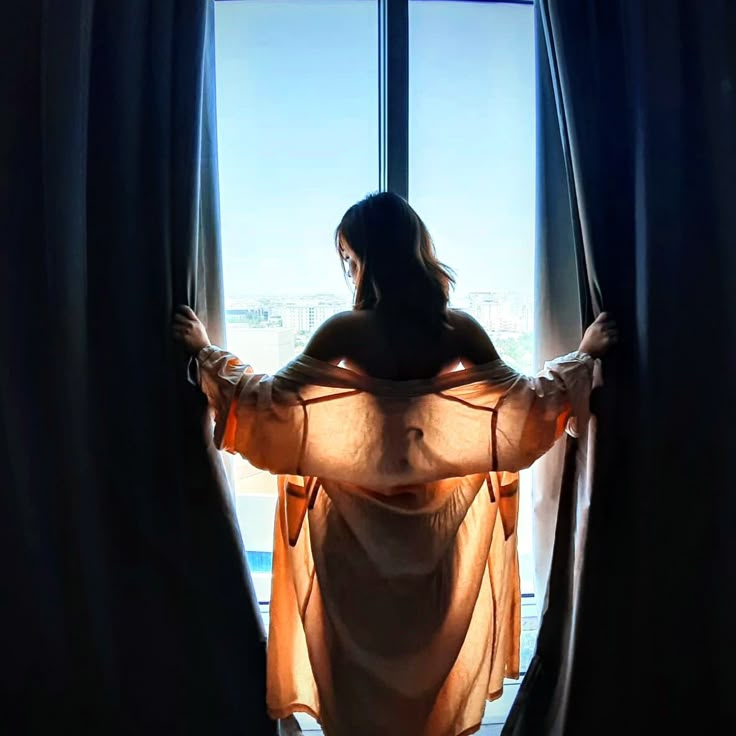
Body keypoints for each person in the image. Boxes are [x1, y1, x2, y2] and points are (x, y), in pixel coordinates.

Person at [173, 192, 616, 736]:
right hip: (436, 533)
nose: (348, 270)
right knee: (429, 679)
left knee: (351, 680)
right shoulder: (458, 330)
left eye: (350, 258)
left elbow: (269, 405)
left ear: (366, 260)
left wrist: (206, 351)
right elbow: (523, 407)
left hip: (351, 536)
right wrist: (584, 354)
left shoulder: (345, 331)